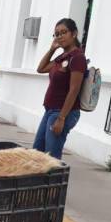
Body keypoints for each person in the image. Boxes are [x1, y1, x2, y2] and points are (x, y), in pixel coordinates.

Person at [34, 18, 86, 159]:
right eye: (57, 34)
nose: (60, 36)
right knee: (37, 153)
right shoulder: (63, 57)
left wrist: (61, 118)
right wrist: (52, 49)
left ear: (74, 34)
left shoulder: (77, 58)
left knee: (51, 158)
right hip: (50, 111)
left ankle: (54, 181)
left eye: (63, 32)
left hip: (62, 113)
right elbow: (41, 68)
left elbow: (74, 90)